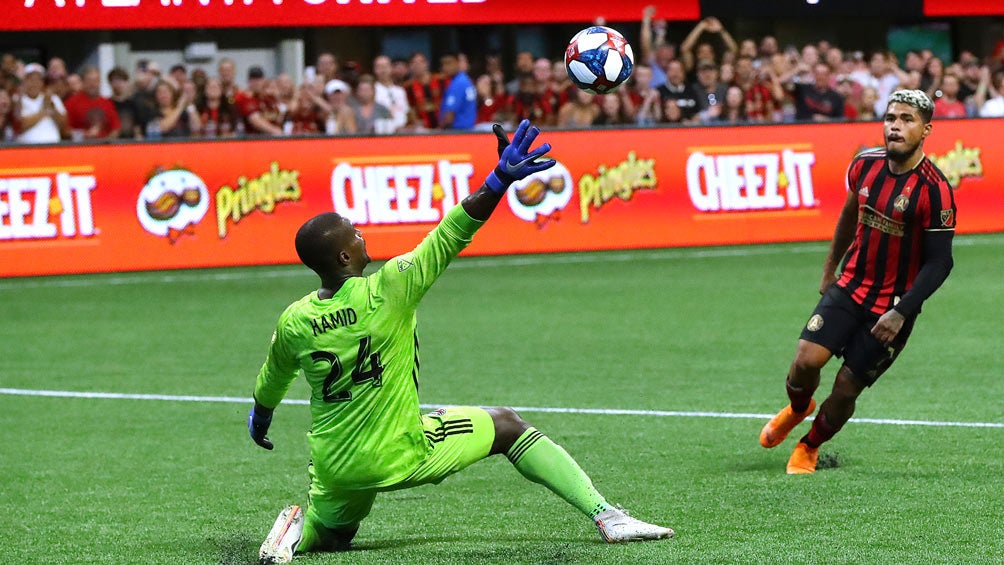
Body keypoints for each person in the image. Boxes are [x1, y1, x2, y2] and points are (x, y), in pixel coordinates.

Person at [247, 120, 675, 563]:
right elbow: (453, 231)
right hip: (400, 452)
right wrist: (498, 181)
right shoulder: (390, 288)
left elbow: (271, 379)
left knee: (334, 536)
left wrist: (261, 417)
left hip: (337, 464)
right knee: (507, 424)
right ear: (343, 256)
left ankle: (298, 533)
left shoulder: (295, 320)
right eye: (354, 233)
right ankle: (608, 517)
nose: (361, 235)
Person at [759, 90, 956, 475]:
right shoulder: (864, 165)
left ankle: (809, 446)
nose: (895, 126)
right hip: (851, 285)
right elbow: (850, 214)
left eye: (906, 119)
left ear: (926, 129)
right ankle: (799, 409)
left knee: (847, 387)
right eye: (890, 118)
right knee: (804, 361)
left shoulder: (935, 189)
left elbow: (940, 262)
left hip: (893, 306)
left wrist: (901, 312)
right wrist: (830, 267)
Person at [14, 63, 67, 144]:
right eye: (31, 79)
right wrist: (44, 111)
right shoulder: (18, 99)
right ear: (25, 81)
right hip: (27, 149)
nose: (35, 83)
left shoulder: (52, 98)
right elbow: (21, 125)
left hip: (53, 146)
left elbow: (63, 124)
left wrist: (52, 105)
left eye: (38, 79)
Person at [63, 66, 121, 140]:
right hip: (81, 147)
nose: (93, 84)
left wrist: (109, 140)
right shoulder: (71, 103)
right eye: (89, 81)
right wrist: (83, 135)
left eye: (96, 81)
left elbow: (116, 128)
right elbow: (64, 130)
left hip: (104, 147)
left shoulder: (107, 103)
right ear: (83, 82)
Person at [438, 52, 477, 130]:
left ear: (457, 64)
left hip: (458, 131)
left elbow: (449, 117)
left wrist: (437, 131)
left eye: (449, 63)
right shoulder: (465, 79)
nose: (445, 67)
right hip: (468, 130)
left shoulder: (458, 83)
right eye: (443, 64)